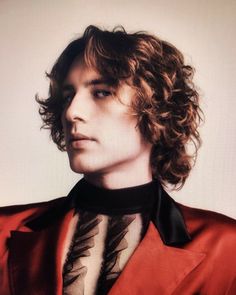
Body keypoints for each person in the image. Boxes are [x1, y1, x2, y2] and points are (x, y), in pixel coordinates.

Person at [0, 25, 235, 295]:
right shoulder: (3, 231)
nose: (72, 112)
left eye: (101, 92)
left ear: (155, 106)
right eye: (68, 96)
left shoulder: (227, 247)